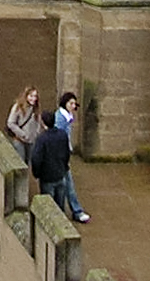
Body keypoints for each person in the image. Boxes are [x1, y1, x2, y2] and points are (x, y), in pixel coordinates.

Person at [29, 91, 90, 223]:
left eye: (74, 103)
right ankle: (75, 212)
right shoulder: (59, 120)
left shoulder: (67, 116)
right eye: (71, 103)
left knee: (63, 189)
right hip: (57, 162)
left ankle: (68, 213)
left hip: (60, 161)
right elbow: (50, 146)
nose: (74, 106)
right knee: (65, 188)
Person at [5, 87, 44, 156]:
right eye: (31, 96)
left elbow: (38, 122)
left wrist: (37, 134)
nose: (33, 99)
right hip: (19, 139)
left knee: (31, 161)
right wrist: (22, 134)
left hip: (32, 140)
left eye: (35, 96)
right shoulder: (18, 107)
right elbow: (10, 123)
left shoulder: (36, 108)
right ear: (26, 96)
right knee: (21, 160)